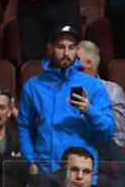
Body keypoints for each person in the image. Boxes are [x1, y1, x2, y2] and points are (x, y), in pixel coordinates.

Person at [17, 24, 114, 171]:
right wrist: (30, 161)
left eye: (71, 47)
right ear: (50, 48)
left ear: (76, 50)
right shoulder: (34, 86)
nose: (66, 53)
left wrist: (89, 110)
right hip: (44, 170)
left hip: (81, 172)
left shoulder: (93, 86)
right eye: (60, 47)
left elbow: (107, 131)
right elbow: (25, 128)